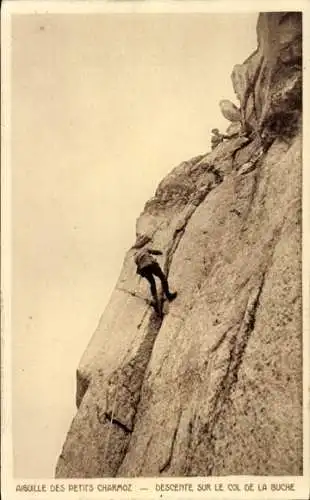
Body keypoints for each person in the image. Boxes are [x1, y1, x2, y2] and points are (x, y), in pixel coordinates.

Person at [134, 246, 177, 314]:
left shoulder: (135, 258)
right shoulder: (144, 249)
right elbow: (153, 251)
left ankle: (155, 301)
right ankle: (168, 295)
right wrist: (160, 252)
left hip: (144, 269)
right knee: (162, 277)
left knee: (152, 283)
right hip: (150, 264)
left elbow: (138, 265)